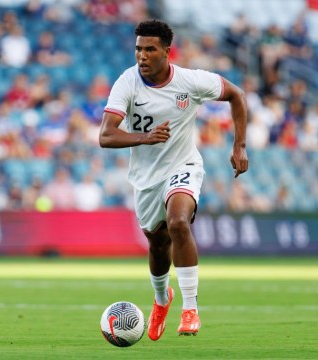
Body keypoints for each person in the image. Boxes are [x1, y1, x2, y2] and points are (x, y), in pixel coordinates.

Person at [99, 20, 248, 340]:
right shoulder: (127, 82)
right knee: (157, 244)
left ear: (167, 52)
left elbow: (236, 95)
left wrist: (239, 145)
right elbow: (106, 136)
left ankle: (191, 309)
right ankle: (161, 299)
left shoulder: (191, 81)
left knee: (179, 222)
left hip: (184, 165)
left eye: (150, 49)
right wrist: (145, 138)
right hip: (145, 179)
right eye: (138, 49)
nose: (142, 55)